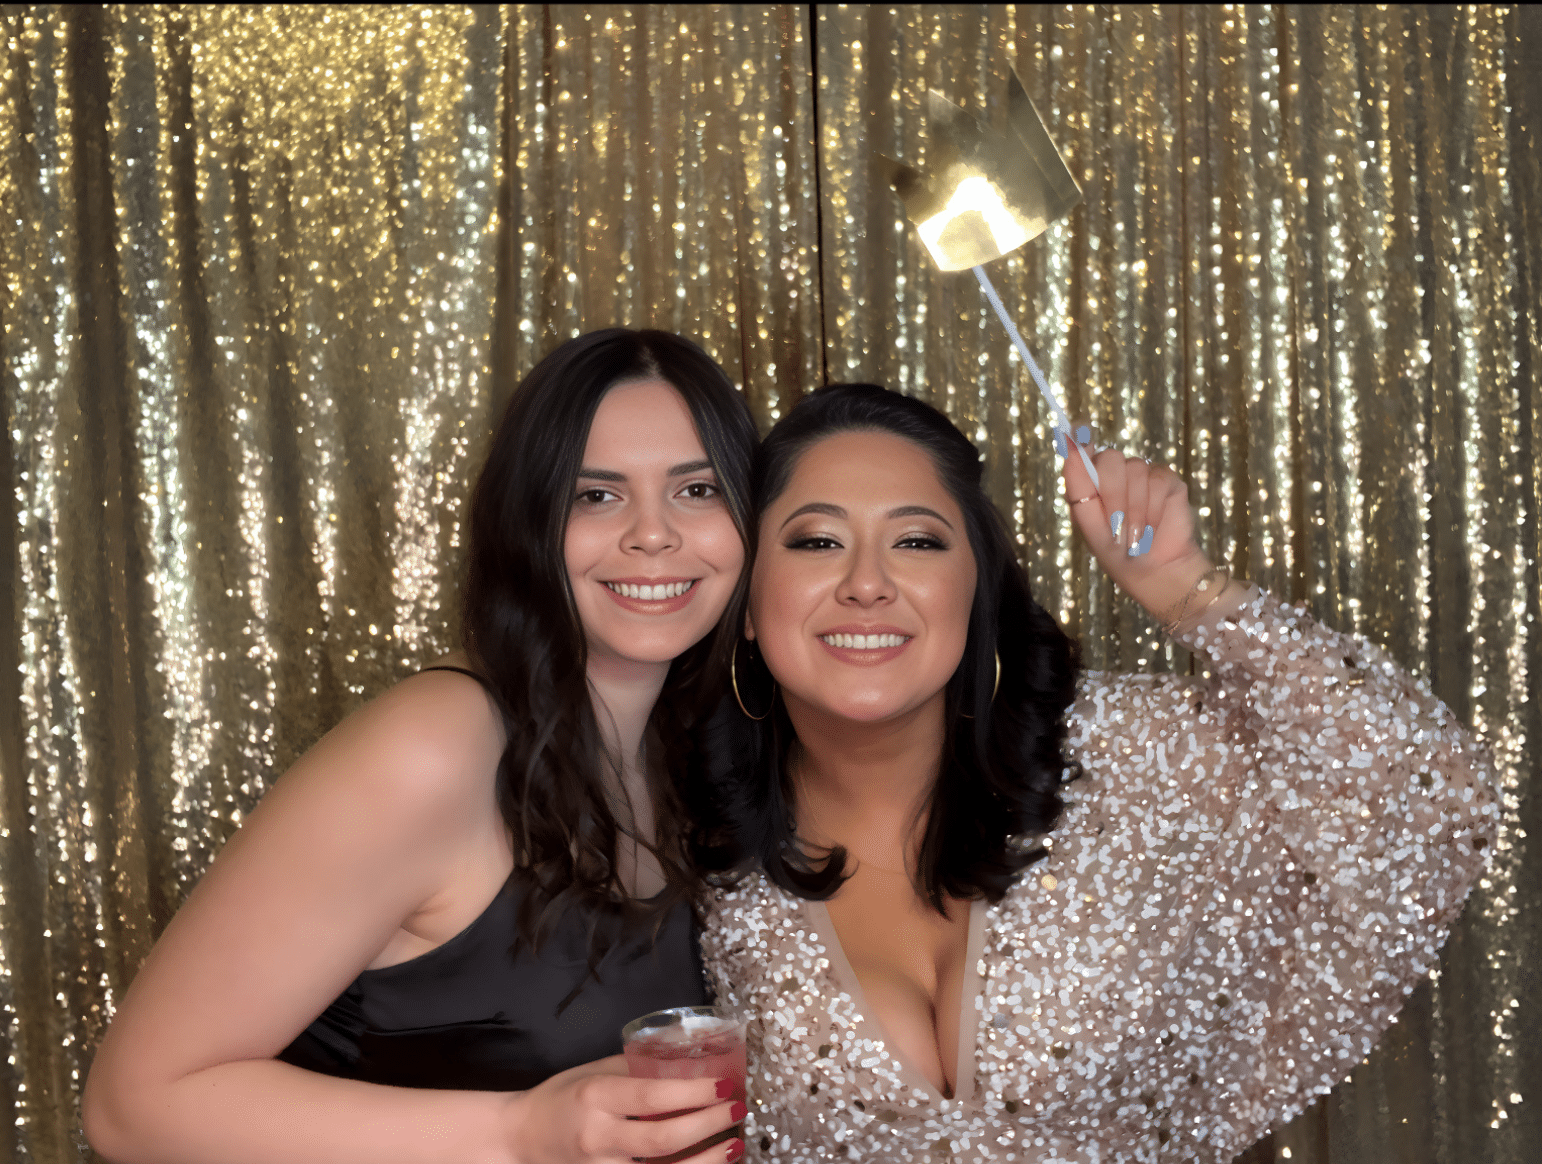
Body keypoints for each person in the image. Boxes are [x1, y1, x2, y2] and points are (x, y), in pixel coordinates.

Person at [693, 384, 1497, 1163]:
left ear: (977, 592)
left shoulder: (1129, 754)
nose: (866, 582)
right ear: (750, 605)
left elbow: (1430, 791)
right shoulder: (689, 832)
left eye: (917, 541)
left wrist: (1184, 586)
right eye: (817, 542)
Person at [83, 329, 757, 1164]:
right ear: (529, 525)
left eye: (697, 489)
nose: (652, 535)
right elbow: (132, 1108)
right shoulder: (436, 743)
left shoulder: (692, 755)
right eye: (595, 496)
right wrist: (523, 1133)